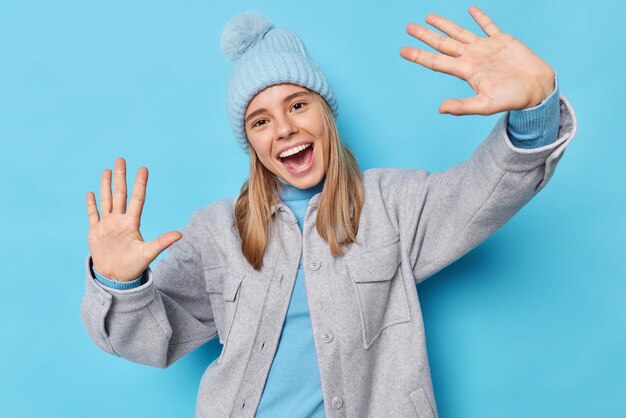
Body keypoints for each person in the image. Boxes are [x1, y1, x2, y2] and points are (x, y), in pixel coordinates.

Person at [81, 6, 577, 418]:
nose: (283, 129)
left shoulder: (393, 204)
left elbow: (484, 192)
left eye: (297, 105)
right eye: (260, 120)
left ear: (324, 112)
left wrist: (534, 110)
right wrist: (118, 284)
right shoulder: (216, 232)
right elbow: (152, 341)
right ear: (251, 142)